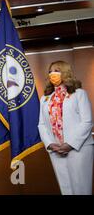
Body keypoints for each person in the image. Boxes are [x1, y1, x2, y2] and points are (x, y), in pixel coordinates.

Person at [38, 60, 93, 195]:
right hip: (56, 149)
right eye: (50, 71)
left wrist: (70, 144)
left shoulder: (79, 93)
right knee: (66, 188)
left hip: (78, 148)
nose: (52, 74)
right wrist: (51, 144)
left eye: (56, 70)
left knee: (81, 188)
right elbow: (42, 124)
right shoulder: (45, 98)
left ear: (65, 72)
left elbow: (87, 121)